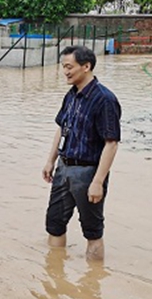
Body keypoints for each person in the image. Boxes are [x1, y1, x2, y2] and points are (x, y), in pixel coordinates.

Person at [42, 45, 121, 261]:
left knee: (92, 230)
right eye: (63, 67)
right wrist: (51, 160)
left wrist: (98, 181)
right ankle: (54, 273)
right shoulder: (71, 95)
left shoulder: (104, 100)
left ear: (86, 66)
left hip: (88, 172)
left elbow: (111, 143)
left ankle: (93, 282)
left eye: (69, 67)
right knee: (55, 223)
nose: (65, 72)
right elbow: (62, 127)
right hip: (64, 168)